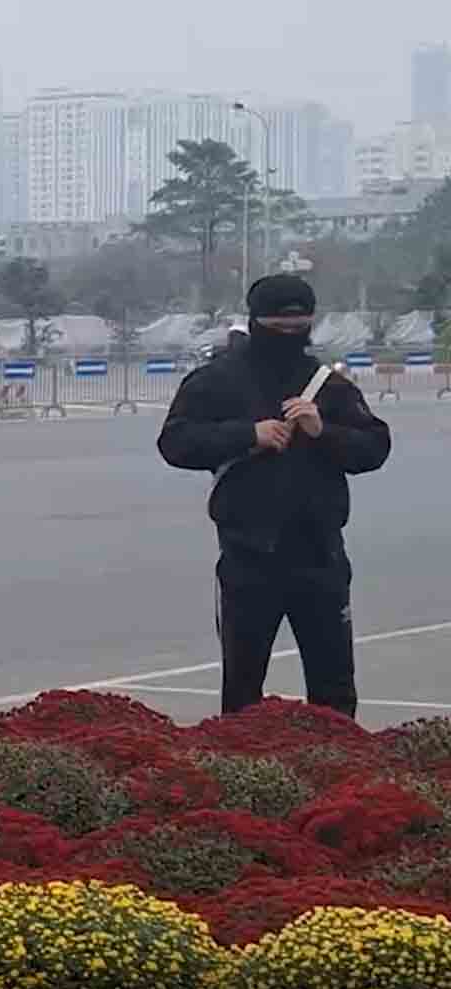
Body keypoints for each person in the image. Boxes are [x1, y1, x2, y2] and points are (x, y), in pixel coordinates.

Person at [158, 274, 391, 719]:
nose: (290, 333)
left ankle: (340, 777)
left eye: (299, 325)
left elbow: (375, 447)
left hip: (320, 554)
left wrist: (324, 432)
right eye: (279, 326)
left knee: (335, 687)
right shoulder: (215, 381)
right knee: (243, 689)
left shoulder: (328, 384)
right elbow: (176, 442)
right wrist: (248, 434)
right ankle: (245, 777)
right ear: (256, 322)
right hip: (249, 556)